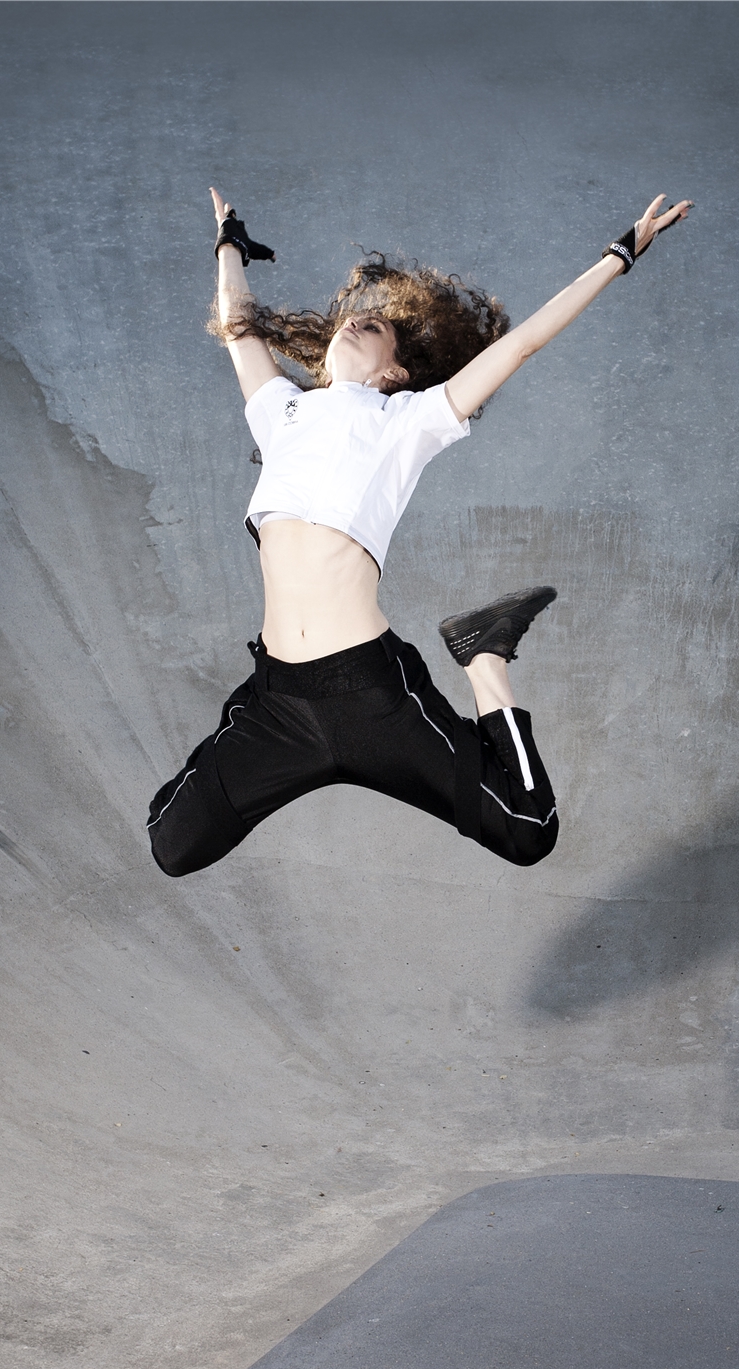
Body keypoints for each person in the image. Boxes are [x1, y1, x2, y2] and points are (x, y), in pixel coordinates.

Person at [148, 187, 693, 877]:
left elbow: (524, 343)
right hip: (278, 701)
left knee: (528, 830)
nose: (356, 321)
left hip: (368, 693)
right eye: (353, 318)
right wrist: (230, 242)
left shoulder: (406, 422)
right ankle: (245, 716)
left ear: (394, 372)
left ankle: (484, 655)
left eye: (376, 326)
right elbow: (238, 326)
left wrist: (621, 253)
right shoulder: (280, 413)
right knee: (171, 844)